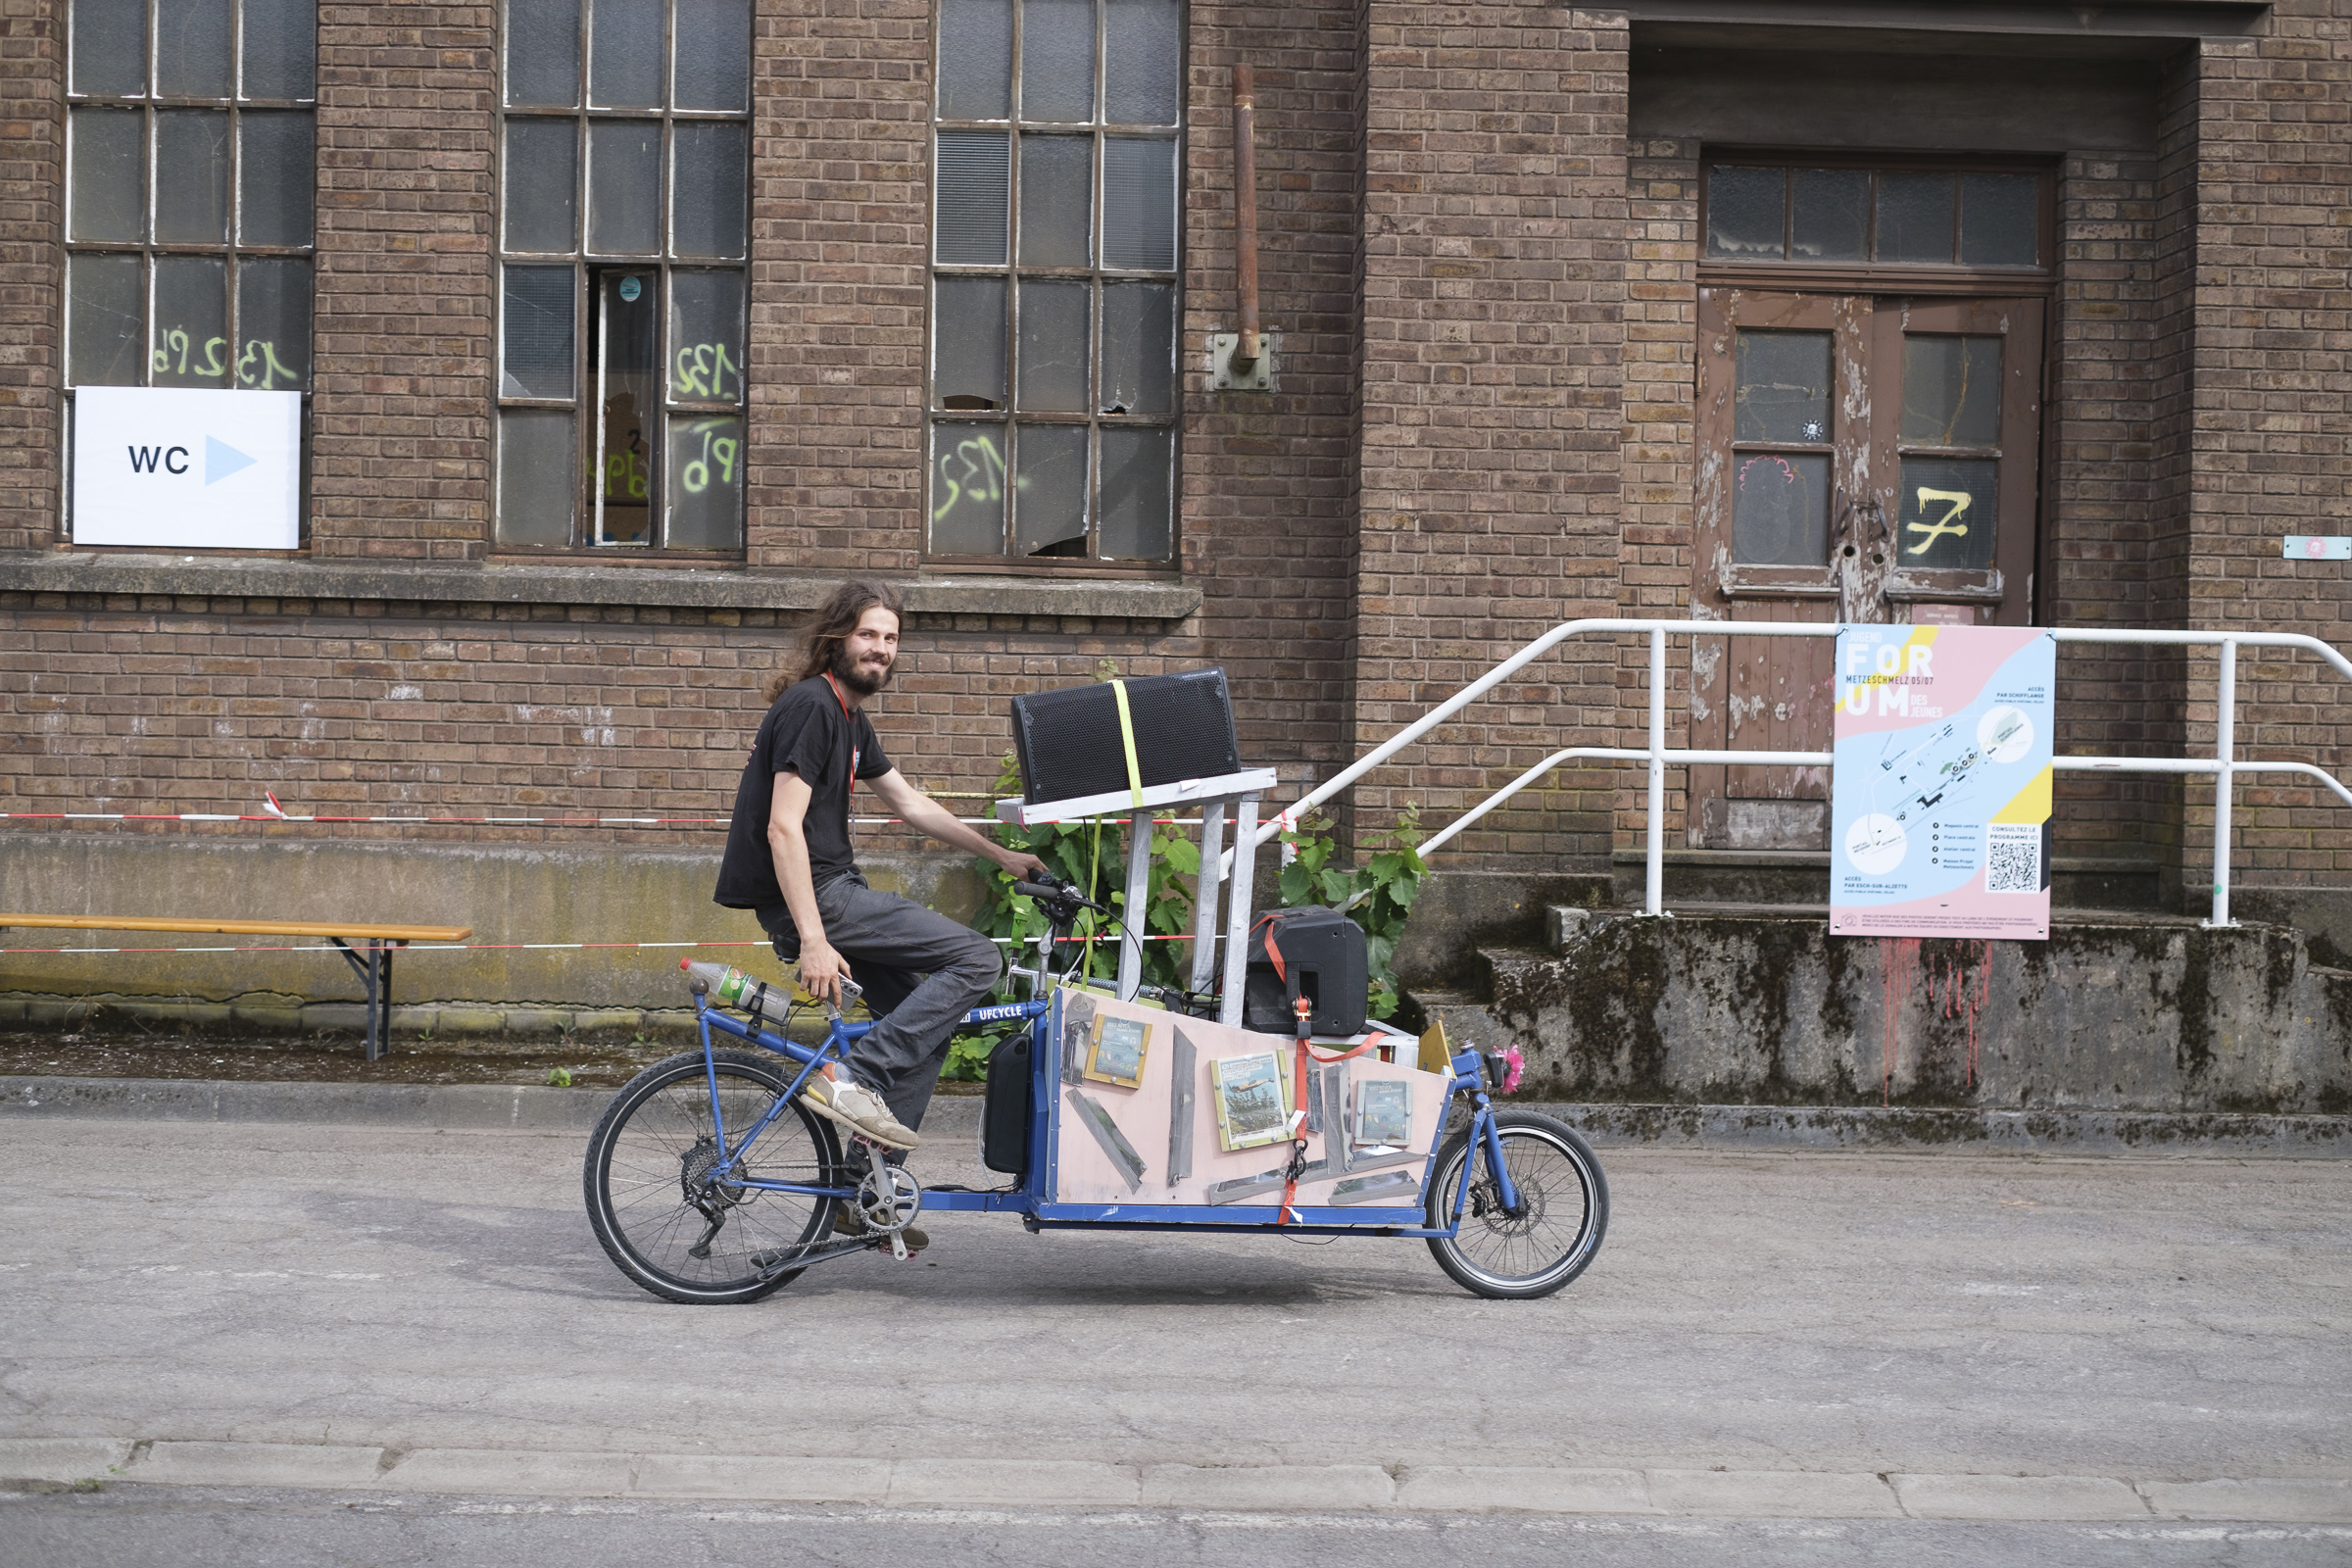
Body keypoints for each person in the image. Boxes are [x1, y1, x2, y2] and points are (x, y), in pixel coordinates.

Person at [713, 580, 1046, 1166]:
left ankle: (867, 1183)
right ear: (837, 638)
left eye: (890, 639)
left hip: (830, 893)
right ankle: (856, 1074)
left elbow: (910, 803)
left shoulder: (848, 716)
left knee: (925, 1028)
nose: (881, 648)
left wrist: (1000, 855)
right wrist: (814, 940)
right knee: (977, 959)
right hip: (820, 897)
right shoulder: (813, 707)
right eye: (869, 634)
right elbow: (781, 828)